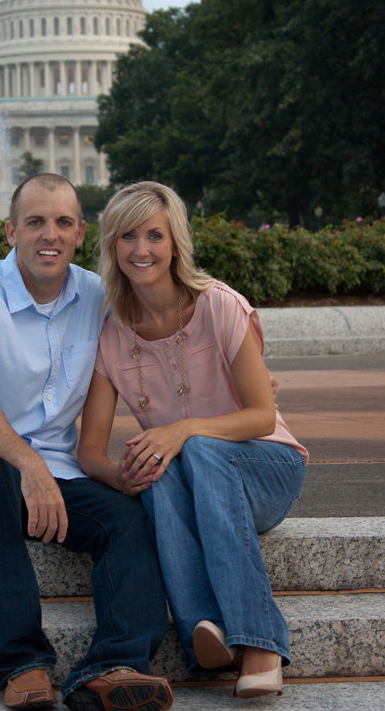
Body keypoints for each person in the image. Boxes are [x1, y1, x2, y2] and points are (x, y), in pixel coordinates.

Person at [0, 174, 173, 711]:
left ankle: (112, 667)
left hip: (56, 476)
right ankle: (20, 662)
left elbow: (170, 338)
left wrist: (242, 383)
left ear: (79, 234)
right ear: (11, 232)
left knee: (127, 518)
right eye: (34, 222)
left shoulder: (98, 297)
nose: (47, 234)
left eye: (61, 222)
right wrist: (27, 462)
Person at [77, 181, 308, 701]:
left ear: (175, 243)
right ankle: (206, 629)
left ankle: (262, 642)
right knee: (151, 464)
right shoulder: (110, 335)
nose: (142, 250)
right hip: (190, 481)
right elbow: (88, 450)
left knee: (193, 448)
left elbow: (260, 415)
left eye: (155, 235)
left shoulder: (219, 306)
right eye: (128, 236)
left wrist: (183, 430)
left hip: (267, 469)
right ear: (113, 246)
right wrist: (120, 474)